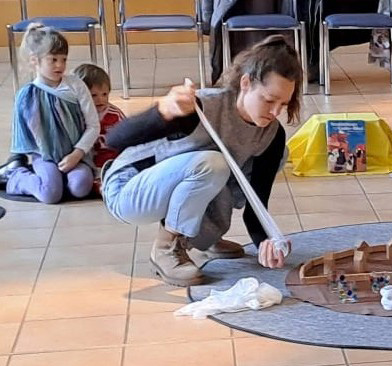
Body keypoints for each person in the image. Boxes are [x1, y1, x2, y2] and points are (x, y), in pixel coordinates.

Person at [101, 35, 301, 287]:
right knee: (213, 163)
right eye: (269, 100)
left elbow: (256, 201)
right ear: (246, 83)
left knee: (271, 157)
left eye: (283, 103)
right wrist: (162, 111)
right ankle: (166, 248)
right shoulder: (200, 108)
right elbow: (114, 139)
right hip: (127, 190)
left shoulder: (271, 135)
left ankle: (202, 236)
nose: (275, 112)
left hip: (185, 180)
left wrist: (266, 242)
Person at [0, 24, 99, 204]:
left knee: (81, 187)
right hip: (44, 155)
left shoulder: (75, 85)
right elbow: (21, 136)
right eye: (53, 59)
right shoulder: (27, 95)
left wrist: (77, 154)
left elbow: (93, 125)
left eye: (63, 59)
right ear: (35, 60)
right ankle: (17, 177)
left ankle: (59, 179)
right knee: (50, 194)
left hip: (76, 154)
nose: (60, 65)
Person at [72, 63, 126, 195]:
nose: (100, 99)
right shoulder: (77, 116)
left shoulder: (115, 115)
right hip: (89, 163)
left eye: (104, 94)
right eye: (94, 95)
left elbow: (128, 135)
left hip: (113, 160)